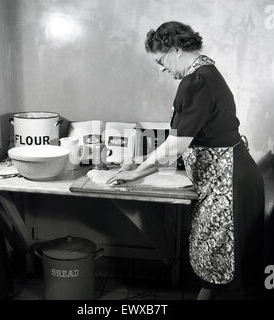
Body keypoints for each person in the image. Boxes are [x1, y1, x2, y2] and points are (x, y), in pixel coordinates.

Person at [106, 21, 265, 300]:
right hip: (226, 182)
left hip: (228, 186)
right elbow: (188, 140)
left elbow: (173, 148)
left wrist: (135, 173)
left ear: (176, 50)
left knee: (222, 265)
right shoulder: (205, 74)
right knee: (217, 264)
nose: (161, 68)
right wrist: (139, 160)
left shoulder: (198, 81)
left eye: (161, 60)